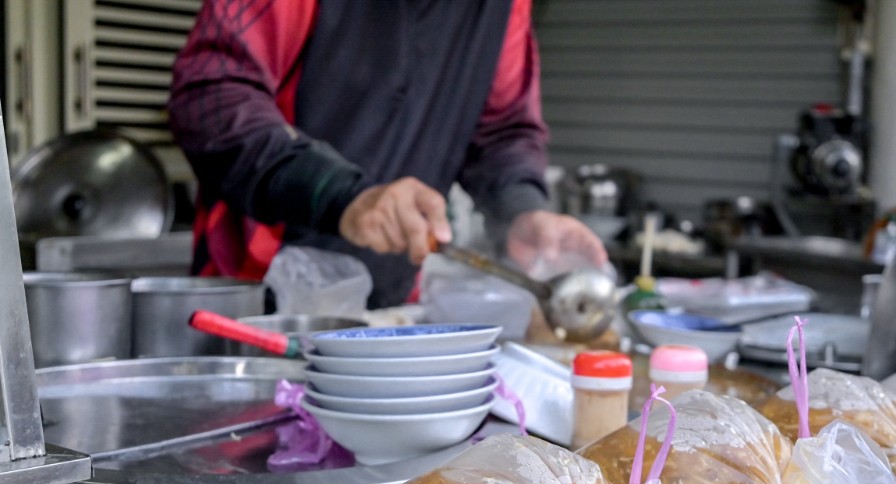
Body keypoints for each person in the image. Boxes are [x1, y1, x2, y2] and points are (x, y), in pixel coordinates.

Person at [169, 0, 607, 308]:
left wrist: (523, 209)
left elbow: (504, 128)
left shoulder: (501, 6)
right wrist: (343, 195)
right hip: (251, 300)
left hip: (386, 306)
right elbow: (213, 98)